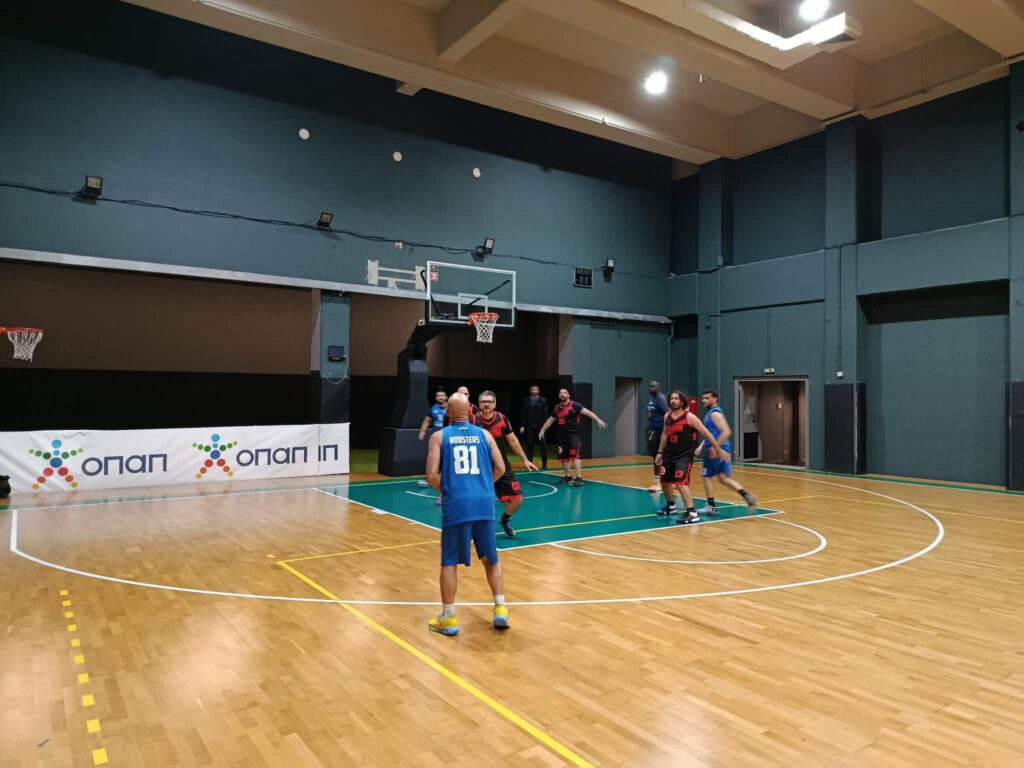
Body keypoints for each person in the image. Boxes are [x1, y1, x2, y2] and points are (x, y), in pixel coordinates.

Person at [425, 393, 508, 636]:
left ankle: (449, 617)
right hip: (484, 503)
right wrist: (484, 486)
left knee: (450, 561)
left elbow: (431, 474)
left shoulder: (439, 436)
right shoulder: (485, 434)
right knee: (491, 558)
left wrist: (448, 490)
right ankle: (501, 608)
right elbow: (500, 467)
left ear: (448, 413)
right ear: (471, 412)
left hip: (457, 504)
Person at [654, 390, 731, 525]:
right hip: (669, 455)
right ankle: (671, 506)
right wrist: (660, 452)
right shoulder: (667, 416)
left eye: (676, 398)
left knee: (681, 483)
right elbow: (665, 434)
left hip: (684, 456)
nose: (673, 401)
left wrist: (718, 449)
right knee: (665, 482)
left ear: (682, 401)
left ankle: (692, 512)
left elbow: (706, 433)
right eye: (671, 398)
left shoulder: (690, 417)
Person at [477, 390, 538, 539]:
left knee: (517, 498)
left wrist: (524, 459)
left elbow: (513, 440)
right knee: (479, 500)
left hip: (502, 465)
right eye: (483, 401)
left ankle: (504, 520)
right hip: (480, 466)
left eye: (489, 401)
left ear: (495, 404)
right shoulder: (473, 420)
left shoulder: (502, 418)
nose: (486, 404)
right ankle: (475, 529)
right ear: (479, 404)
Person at [695, 389, 758, 514]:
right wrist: (701, 446)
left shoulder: (715, 414)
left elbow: (727, 432)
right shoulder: (711, 413)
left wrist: (715, 448)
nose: (704, 400)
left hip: (717, 448)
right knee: (723, 478)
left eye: (707, 398)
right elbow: (710, 433)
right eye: (703, 398)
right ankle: (747, 496)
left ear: (715, 399)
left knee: (706, 476)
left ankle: (711, 506)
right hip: (721, 447)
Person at [539, 388, 607, 486]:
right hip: (562, 437)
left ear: (568, 395)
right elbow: (551, 419)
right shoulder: (557, 408)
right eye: (560, 393)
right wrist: (543, 430)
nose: (562, 394)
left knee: (575, 456)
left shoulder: (575, 405)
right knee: (563, 457)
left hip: (574, 436)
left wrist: (598, 420)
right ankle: (568, 476)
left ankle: (579, 478)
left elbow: (588, 413)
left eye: (564, 393)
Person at [645, 380, 669, 493]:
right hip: (653, 430)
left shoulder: (661, 398)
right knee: (655, 457)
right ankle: (658, 481)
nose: (650, 388)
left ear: (658, 387)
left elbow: (668, 413)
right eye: (649, 386)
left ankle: (660, 483)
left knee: (658, 457)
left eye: (653, 387)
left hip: (660, 431)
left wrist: (665, 429)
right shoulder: (652, 399)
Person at [519, 385, 549, 470]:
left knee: (543, 446)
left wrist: (544, 427)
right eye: (533, 389)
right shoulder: (527, 400)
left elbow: (545, 414)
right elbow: (524, 413)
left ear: (538, 391)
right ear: (530, 391)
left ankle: (544, 464)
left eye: (536, 389)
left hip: (541, 428)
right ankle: (530, 464)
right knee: (529, 446)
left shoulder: (543, 400)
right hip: (530, 427)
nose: (534, 391)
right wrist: (522, 425)